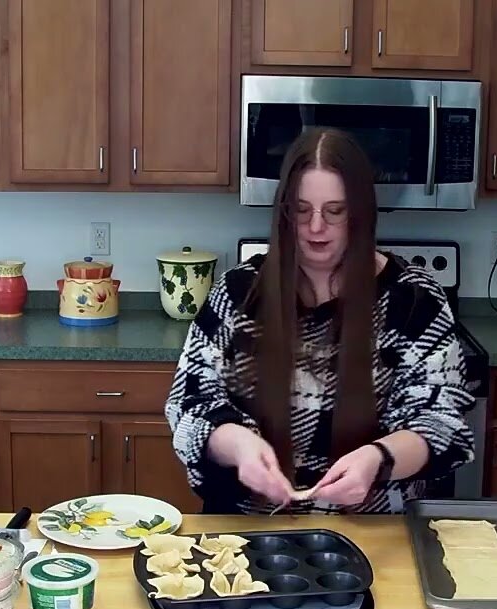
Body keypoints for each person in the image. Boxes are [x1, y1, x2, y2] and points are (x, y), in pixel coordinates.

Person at [164, 128, 474, 514]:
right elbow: (190, 403)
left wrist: (377, 458)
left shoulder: (414, 301)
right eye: (301, 209)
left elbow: (439, 421)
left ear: (359, 213)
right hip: (246, 530)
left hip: (373, 531)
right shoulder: (238, 293)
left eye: (334, 211)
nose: (315, 227)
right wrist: (239, 445)